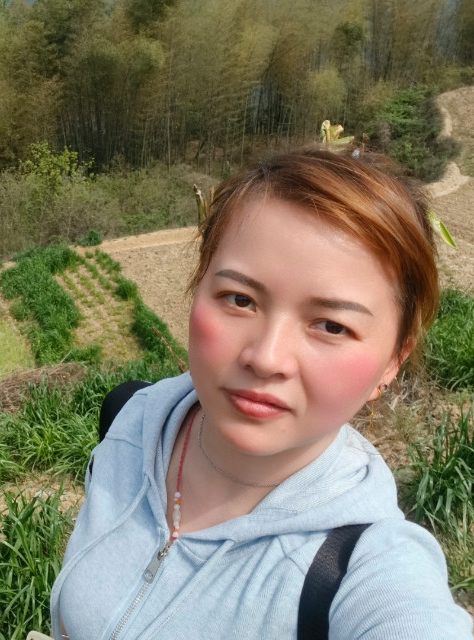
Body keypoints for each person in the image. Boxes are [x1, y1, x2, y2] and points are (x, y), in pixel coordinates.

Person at [49, 148, 474, 639]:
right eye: (240, 299)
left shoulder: (360, 567)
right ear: (198, 287)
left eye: (331, 326)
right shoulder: (132, 419)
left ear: (393, 360)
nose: (266, 358)